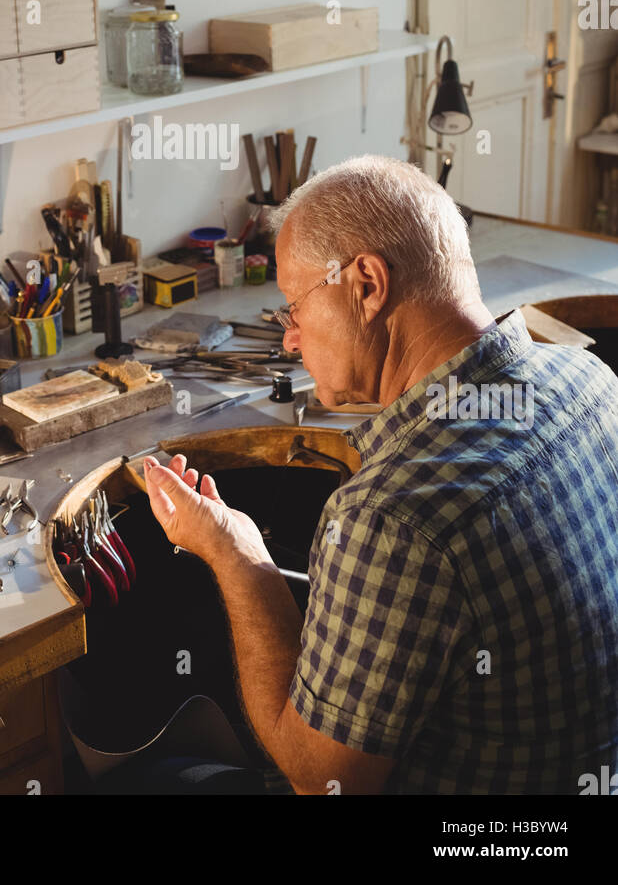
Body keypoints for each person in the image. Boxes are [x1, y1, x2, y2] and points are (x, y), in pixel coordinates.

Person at [144, 154, 618, 794]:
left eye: (292, 306)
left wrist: (235, 555)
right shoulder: (590, 382)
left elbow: (318, 780)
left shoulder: (393, 517)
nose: (288, 339)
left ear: (366, 284)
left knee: (162, 776)